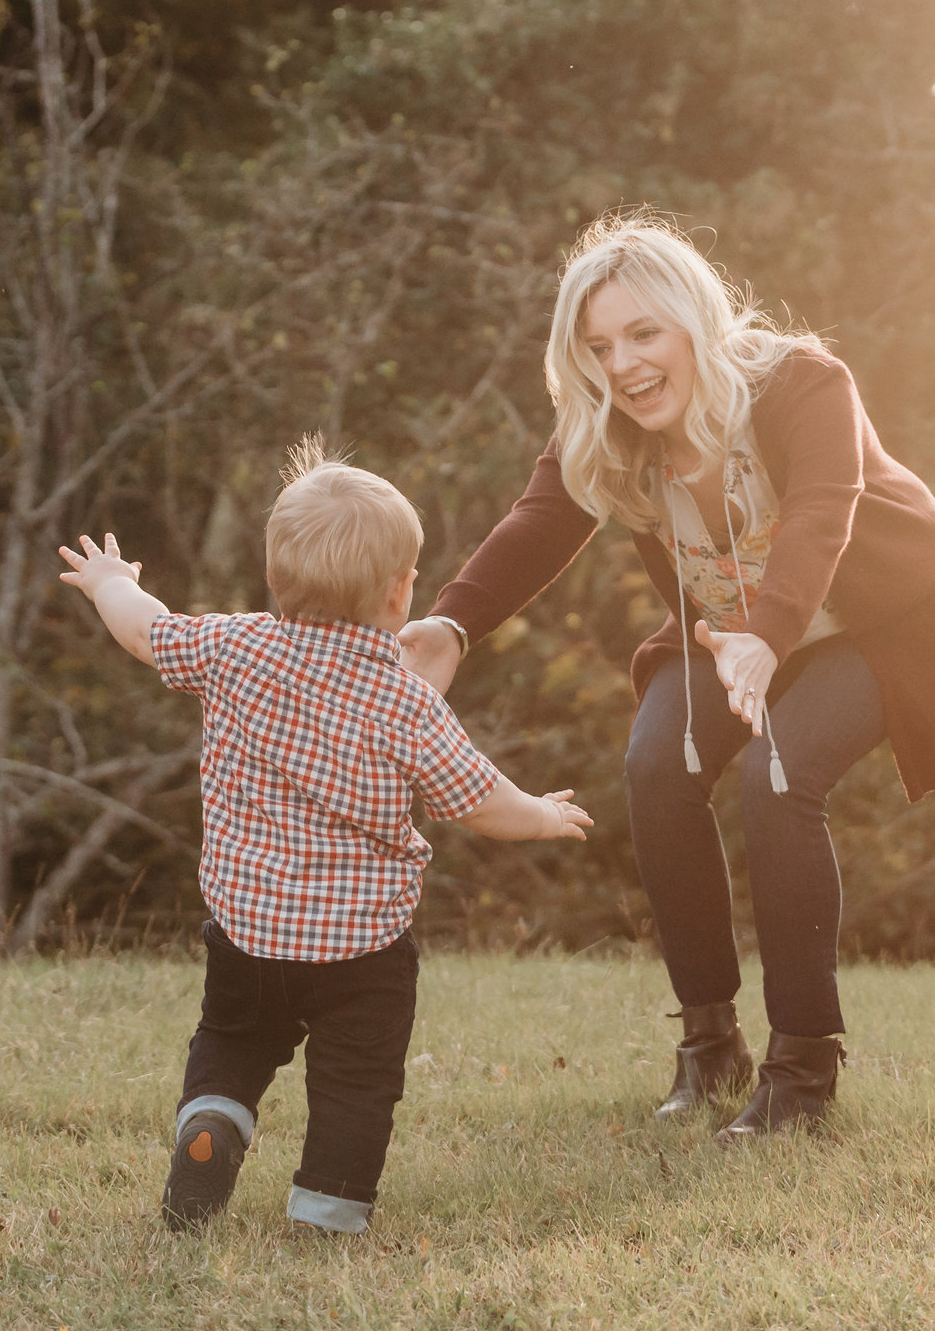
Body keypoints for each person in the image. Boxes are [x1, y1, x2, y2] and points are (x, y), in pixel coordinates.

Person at [401, 215, 935, 1140]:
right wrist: (453, 621)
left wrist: (770, 635)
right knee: (657, 768)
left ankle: (804, 1072)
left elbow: (821, 513)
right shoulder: (607, 429)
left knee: (780, 774)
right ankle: (710, 1047)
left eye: (643, 334)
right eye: (599, 345)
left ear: (695, 318)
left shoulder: (801, 383)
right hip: (727, 629)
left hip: (882, 619)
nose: (623, 365)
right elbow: (538, 521)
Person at [59, 438, 593, 1234]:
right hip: (362, 952)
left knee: (233, 1041)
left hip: (248, 930)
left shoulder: (234, 647)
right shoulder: (403, 699)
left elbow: (147, 630)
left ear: (277, 575)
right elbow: (479, 799)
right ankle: (328, 1207)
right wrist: (546, 813)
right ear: (396, 593)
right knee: (356, 1079)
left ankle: (212, 1122)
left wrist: (109, 581)